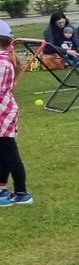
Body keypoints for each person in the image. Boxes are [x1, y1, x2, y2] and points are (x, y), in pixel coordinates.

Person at [0, 19, 32, 207]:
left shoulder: (2, 62)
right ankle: (2, 189)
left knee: (9, 152)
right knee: (2, 152)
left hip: (3, 112)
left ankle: (22, 193)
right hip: (4, 109)